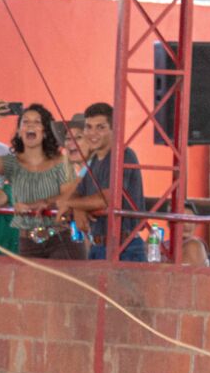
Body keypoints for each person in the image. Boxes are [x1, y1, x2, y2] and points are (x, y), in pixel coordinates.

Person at [0, 101, 84, 260]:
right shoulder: (13, 163)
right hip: (27, 241)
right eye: (25, 122)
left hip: (60, 237)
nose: (30, 125)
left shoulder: (61, 162)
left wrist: (43, 203)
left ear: (45, 132)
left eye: (37, 122)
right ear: (19, 132)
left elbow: (69, 196)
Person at [55, 102, 146, 262]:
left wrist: (72, 205)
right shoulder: (95, 159)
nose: (92, 133)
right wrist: (78, 208)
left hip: (124, 248)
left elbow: (106, 199)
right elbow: (78, 193)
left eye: (100, 127)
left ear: (114, 129)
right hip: (99, 246)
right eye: (89, 127)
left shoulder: (123, 155)